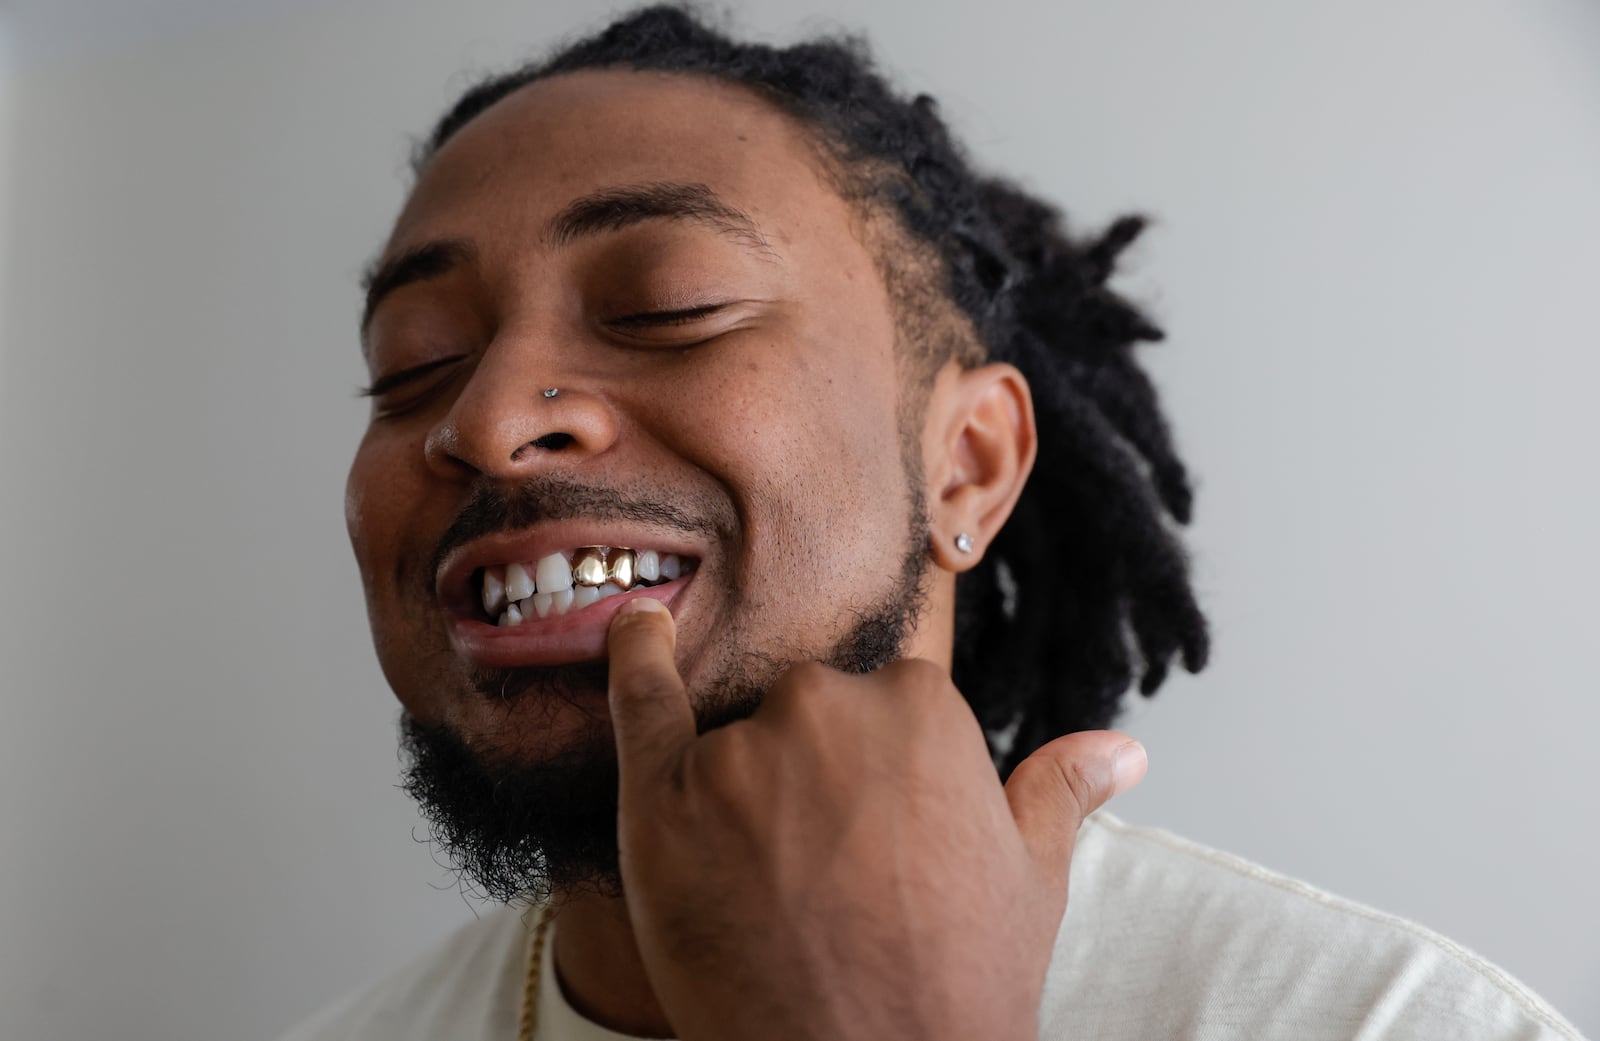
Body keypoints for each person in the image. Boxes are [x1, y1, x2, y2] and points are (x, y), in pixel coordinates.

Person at [282, 6, 1587, 1039]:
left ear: (967, 466)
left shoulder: (1385, 1023)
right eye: (414, 362)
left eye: (668, 306)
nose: (493, 415)